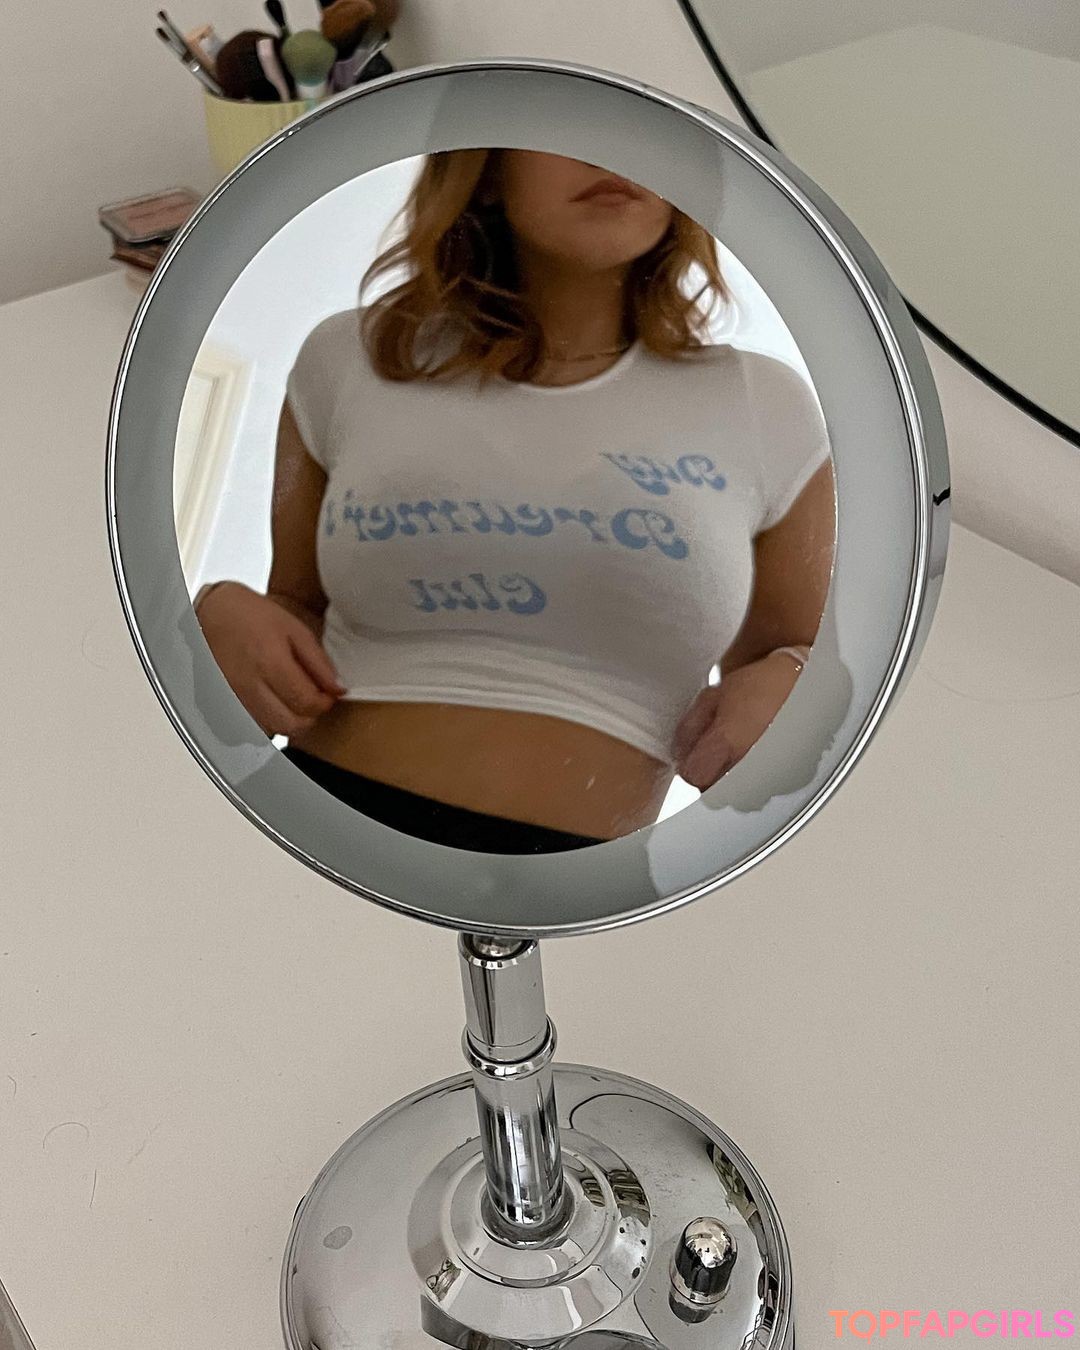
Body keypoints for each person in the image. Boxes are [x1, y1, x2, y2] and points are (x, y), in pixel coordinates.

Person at [194, 149, 835, 853]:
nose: (608, 152)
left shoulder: (766, 407)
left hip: (584, 886)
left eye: (634, 131)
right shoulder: (348, 357)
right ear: (487, 173)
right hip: (306, 837)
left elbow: (794, 661)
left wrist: (795, 680)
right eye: (567, 124)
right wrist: (213, 615)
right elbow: (294, 612)